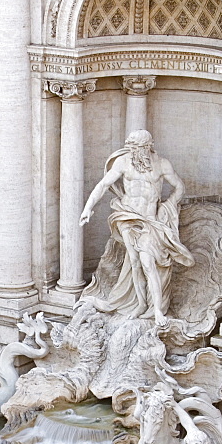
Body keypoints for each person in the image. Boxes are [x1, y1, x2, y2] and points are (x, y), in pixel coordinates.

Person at [79, 129, 194, 327]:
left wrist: (167, 207)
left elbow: (180, 187)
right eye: (131, 147)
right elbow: (103, 184)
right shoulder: (123, 162)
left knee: (148, 262)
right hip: (127, 216)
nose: (132, 151)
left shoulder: (161, 164)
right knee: (134, 261)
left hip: (149, 219)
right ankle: (141, 304)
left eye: (137, 147)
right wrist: (88, 208)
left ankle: (157, 310)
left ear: (148, 146)